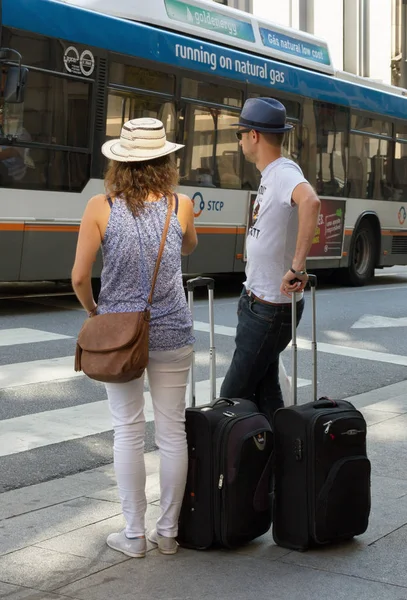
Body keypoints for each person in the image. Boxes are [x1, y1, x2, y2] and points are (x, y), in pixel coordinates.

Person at [71, 117, 197, 558]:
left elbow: (80, 276)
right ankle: (168, 534)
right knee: (172, 433)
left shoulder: (99, 207)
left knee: (127, 432)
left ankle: (133, 536)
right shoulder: (180, 204)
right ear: (166, 160)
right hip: (173, 332)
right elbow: (188, 247)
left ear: (118, 163)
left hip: (120, 335)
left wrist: (95, 313)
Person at [220, 98, 320, 423]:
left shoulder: (283, 172)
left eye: (240, 133)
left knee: (229, 399)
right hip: (259, 304)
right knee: (266, 393)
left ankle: (221, 468)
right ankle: (281, 465)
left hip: (269, 311)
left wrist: (298, 267)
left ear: (254, 136)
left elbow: (311, 201)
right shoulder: (271, 175)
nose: (239, 141)